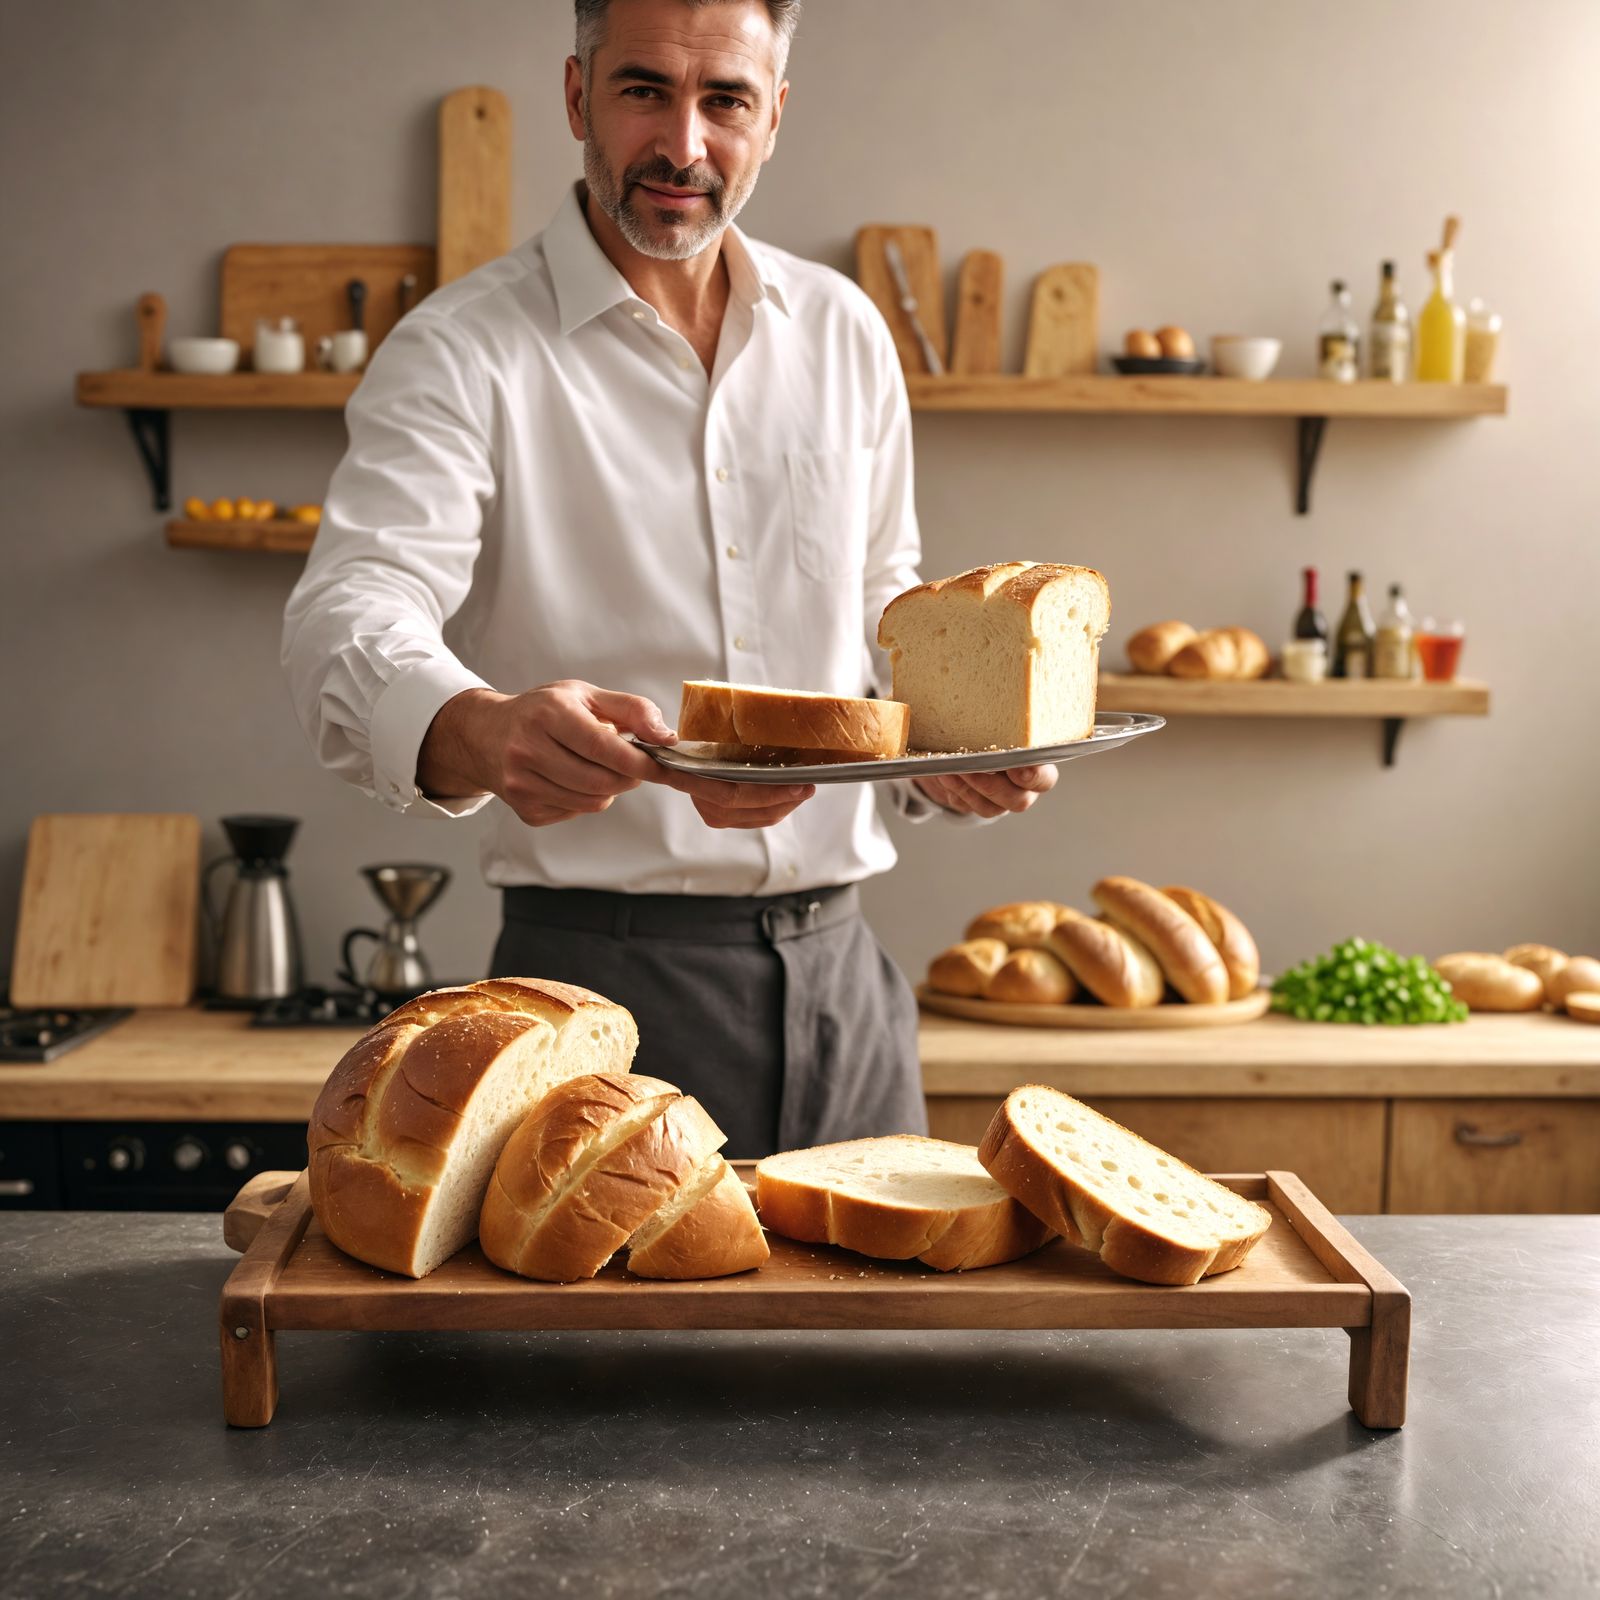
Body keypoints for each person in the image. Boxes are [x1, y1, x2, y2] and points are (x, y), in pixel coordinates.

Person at [282, 0, 1059, 1157]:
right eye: (644, 89)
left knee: (886, 1288)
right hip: (591, 993)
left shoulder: (843, 331)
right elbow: (349, 610)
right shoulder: (460, 349)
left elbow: (876, 607)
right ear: (576, 95)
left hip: (848, 984)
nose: (683, 145)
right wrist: (482, 728)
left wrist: (943, 755)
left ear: (773, 115)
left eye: (725, 100)